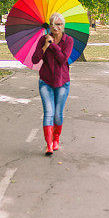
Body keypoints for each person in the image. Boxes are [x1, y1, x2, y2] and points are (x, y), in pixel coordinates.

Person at [31, 12, 74, 155]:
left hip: (62, 82)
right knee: (48, 113)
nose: (56, 27)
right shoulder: (43, 39)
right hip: (46, 81)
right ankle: (49, 144)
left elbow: (63, 59)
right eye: (53, 24)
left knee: (57, 114)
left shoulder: (68, 41)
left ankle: (56, 139)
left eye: (59, 24)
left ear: (63, 26)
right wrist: (44, 45)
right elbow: (35, 60)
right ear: (49, 26)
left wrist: (53, 45)